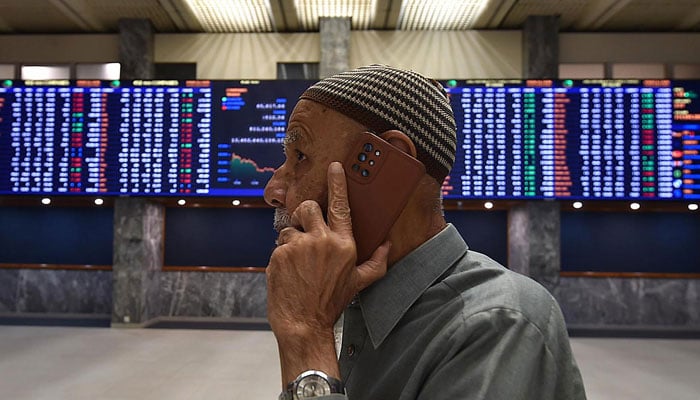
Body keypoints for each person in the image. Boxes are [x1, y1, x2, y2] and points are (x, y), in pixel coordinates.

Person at [263, 65, 586, 400]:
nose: (272, 189)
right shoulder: (344, 303)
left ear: (386, 166)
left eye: (300, 156)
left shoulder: (500, 322)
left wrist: (308, 338)